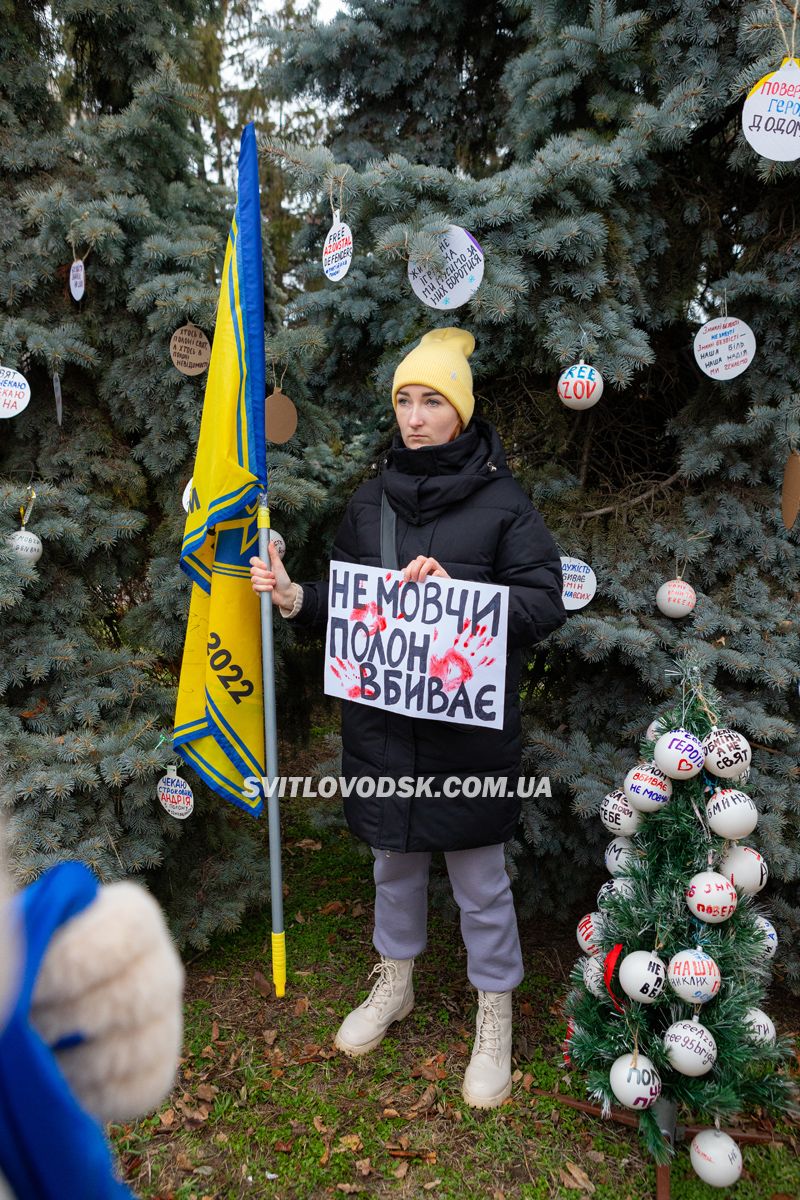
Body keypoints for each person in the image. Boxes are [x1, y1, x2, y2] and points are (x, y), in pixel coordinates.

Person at [250, 327, 566, 1108]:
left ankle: (495, 1011)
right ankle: (395, 983)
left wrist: (456, 595)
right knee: (392, 862)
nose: (415, 417)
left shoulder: (503, 504)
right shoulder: (371, 501)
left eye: (431, 401)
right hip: (385, 731)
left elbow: (543, 602)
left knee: (479, 880)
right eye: (404, 401)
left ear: (460, 412)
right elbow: (352, 602)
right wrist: (296, 599)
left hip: (467, 735)